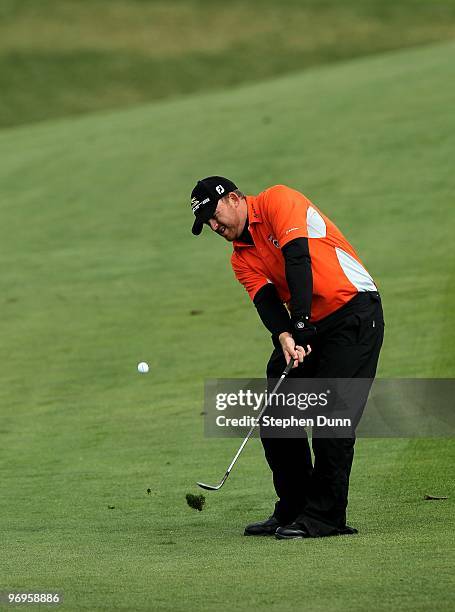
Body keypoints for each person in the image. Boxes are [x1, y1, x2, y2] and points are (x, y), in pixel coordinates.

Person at [190, 176, 384, 539]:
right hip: (306, 323)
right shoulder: (240, 258)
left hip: (353, 313)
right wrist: (285, 335)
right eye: (207, 224)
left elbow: (298, 258)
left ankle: (326, 517)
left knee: (332, 416)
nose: (214, 227)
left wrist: (301, 322)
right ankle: (295, 507)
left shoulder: (278, 201)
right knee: (277, 413)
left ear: (234, 198)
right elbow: (265, 302)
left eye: (214, 216)